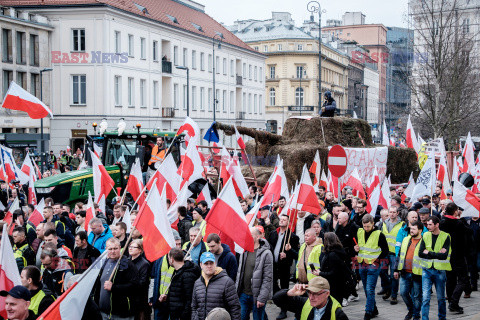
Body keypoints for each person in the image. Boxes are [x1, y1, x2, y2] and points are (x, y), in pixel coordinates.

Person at [354, 214, 389, 320]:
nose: (366, 228)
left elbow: (385, 250)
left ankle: (368, 312)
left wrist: (377, 261)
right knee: (366, 289)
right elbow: (358, 247)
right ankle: (374, 309)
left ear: (373, 223)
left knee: (369, 289)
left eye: (368, 226)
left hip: (373, 266)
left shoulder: (379, 234)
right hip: (362, 264)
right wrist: (355, 248)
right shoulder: (360, 231)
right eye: (364, 226)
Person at [93, 237, 139, 320]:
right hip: (103, 313)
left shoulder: (128, 264)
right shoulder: (103, 263)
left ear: (120, 248)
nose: (113, 251)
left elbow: (135, 286)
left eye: (115, 248)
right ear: (106, 249)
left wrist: (114, 287)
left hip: (121, 314)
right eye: (110, 249)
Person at [236, 227, 273, 320]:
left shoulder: (266, 253)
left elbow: (267, 278)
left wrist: (262, 297)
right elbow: (239, 273)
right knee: (242, 317)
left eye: (250, 235)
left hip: (257, 295)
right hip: (243, 294)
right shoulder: (244, 251)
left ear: (257, 237)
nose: (247, 237)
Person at [418, 216, 451, 320]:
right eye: (427, 224)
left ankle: (442, 318)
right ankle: (424, 318)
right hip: (427, 270)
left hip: (440, 271)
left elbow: (444, 256)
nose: (428, 227)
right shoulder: (426, 235)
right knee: (425, 298)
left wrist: (429, 253)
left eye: (430, 224)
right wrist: (436, 253)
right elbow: (420, 253)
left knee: (441, 298)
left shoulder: (446, 236)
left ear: (437, 224)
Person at [191, 252, 241, 320]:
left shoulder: (227, 282)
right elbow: (194, 306)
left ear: (215, 263)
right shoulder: (197, 283)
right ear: (201, 265)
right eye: (206, 263)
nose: (209, 266)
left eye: (211, 263)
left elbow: (235, 307)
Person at [267, 215, 299, 319]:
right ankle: (280, 300)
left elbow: (295, 254)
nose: (281, 221)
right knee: (273, 284)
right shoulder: (273, 233)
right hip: (273, 264)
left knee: (285, 287)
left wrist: (287, 253)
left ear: (288, 222)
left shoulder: (292, 236)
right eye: (281, 219)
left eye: (284, 220)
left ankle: (284, 310)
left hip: (284, 266)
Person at [272, 276, 349, 320]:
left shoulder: (337, 314)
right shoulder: (303, 303)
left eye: (316, 294)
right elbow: (277, 299)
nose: (311, 297)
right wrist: (290, 292)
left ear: (327, 294)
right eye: (309, 293)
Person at [439, 202, 468, 313]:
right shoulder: (458, 223)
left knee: (450, 279)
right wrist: (461, 219)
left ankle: (451, 302)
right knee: (463, 279)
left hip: (447, 255)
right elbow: (468, 231)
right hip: (458, 255)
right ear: (455, 211)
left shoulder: (442, 221)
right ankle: (454, 302)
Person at [394, 220, 424, 320]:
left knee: (416, 296)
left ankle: (416, 315)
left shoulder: (424, 241)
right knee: (403, 293)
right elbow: (399, 255)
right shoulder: (406, 239)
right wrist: (396, 269)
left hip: (417, 273)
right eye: (411, 228)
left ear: (420, 230)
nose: (411, 230)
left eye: (414, 229)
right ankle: (411, 310)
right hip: (405, 272)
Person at [162, 248, 201, 320]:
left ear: (172, 259)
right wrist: (167, 297)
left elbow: (190, 299)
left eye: (168, 258)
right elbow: (178, 293)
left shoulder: (187, 275)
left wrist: (182, 316)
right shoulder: (177, 272)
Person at [314, 232, 350, 306]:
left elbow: (333, 273)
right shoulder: (333, 252)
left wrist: (320, 273)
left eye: (324, 239)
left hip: (335, 287)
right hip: (335, 285)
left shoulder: (333, 255)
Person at [379, 206, 404, 304]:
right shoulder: (383, 223)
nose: (392, 214)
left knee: (394, 275)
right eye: (391, 212)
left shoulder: (402, 224)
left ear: (397, 213)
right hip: (385, 253)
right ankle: (388, 288)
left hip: (395, 254)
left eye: (394, 212)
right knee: (382, 272)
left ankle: (394, 295)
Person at [128, 239, 151, 320]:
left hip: (139, 299)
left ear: (140, 250)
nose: (130, 248)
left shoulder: (144, 264)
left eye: (133, 247)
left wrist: (129, 285)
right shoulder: (126, 261)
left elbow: (143, 282)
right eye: (130, 246)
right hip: (128, 298)